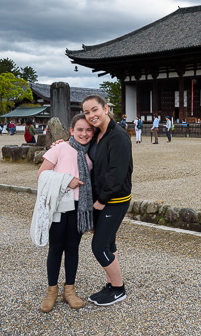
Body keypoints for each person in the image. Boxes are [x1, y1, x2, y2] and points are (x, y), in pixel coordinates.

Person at [35, 113, 94, 313]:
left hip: (79, 207)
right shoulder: (60, 148)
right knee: (56, 247)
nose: (84, 134)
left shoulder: (90, 153)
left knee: (72, 248)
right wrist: (66, 180)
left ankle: (70, 289)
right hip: (59, 206)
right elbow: (41, 174)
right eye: (80, 130)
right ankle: (52, 290)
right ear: (71, 131)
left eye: (88, 130)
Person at [82, 94, 133, 307]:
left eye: (94, 109)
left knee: (99, 245)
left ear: (105, 108)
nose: (91, 115)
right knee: (109, 243)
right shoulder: (97, 135)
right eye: (86, 112)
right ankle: (112, 284)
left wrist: (102, 200)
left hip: (115, 199)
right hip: (101, 199)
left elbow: (116, 172)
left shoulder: (118, 136)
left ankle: (119, 288)